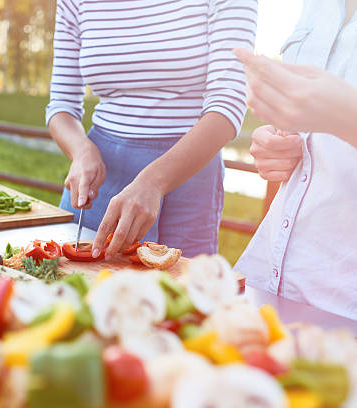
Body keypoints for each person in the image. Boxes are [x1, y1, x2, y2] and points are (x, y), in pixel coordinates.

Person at [46, 0, 257, 258]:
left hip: (187, 176)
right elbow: (60, 105)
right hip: (101, 179)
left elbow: (228, 105)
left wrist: (155, 182)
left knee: (177, 295)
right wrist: (81, 151)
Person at [233, 0, 357, 320]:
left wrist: (347, 119)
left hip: (344, 304)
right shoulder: (318, 6)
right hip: (270, 282)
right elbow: (316, 141)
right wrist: (274, 144)